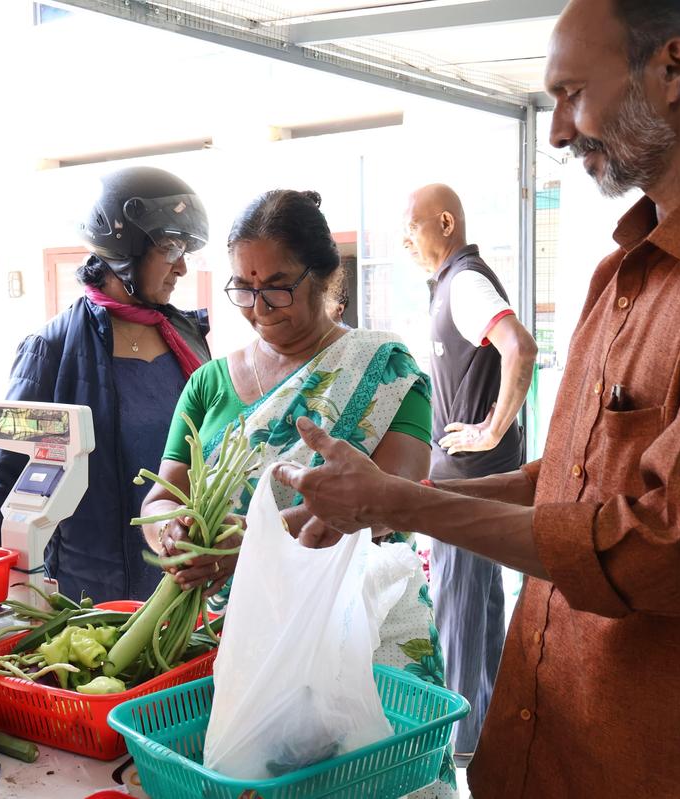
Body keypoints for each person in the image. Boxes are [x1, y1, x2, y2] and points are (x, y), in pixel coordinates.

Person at [276, 0, 680, 795]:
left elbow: (665, 545)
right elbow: (566, 480)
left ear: (673, 68)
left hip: (675, 758)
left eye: (570, 92)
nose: (558, 130)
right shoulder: (624, 267)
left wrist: (411, 505)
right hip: (550, 736)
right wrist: (389, 501)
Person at [140, 188, 458, 796]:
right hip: (241, 641)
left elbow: (390, 502)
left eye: (278, 285)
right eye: (243, 287)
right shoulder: (208, 383)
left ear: (323, 277)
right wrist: (171, 533)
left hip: (359, 634)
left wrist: (250, 547)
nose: (260, 306)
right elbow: (162, 496)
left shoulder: (385, 370)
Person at [0, 166, 211, 603]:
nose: (182, 267)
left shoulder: (188, 340)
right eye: (170, 247)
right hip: (85, 600)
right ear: (124, 250)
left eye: (185, 249)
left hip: (178, 588)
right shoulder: (51, 349)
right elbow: (4, 474)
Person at [401, 183, 538, 760]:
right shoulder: (452, 284)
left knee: (459, 619)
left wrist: (491, 429)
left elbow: (520, 348)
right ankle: (484, 744)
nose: (405, 239)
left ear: (447, 224)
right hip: (477, 485)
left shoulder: (465, 283)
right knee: (479, 616)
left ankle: (456, 758)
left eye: (413, 226)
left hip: (470, 487)